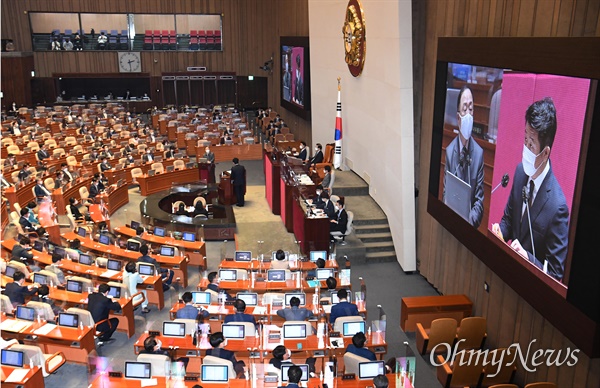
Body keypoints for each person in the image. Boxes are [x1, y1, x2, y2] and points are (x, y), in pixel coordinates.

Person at [492, 97, 569, 281]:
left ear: (546, 153)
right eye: (525, 138)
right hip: (507, 274)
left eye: (531, 143)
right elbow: (509, 220)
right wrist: (500, 232)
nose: (525, 147)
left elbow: (556, 274)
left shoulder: (557, 206)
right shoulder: (520, 172)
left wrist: (528, 259)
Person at [443, 85, 485, 228]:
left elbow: (479, 202)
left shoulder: (478, 154)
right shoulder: (449, 152)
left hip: (469, 227)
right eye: (464, 109)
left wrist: (467, 223)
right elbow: (446, 194)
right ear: (458, 117)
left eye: (471, 109)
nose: (468, 114)